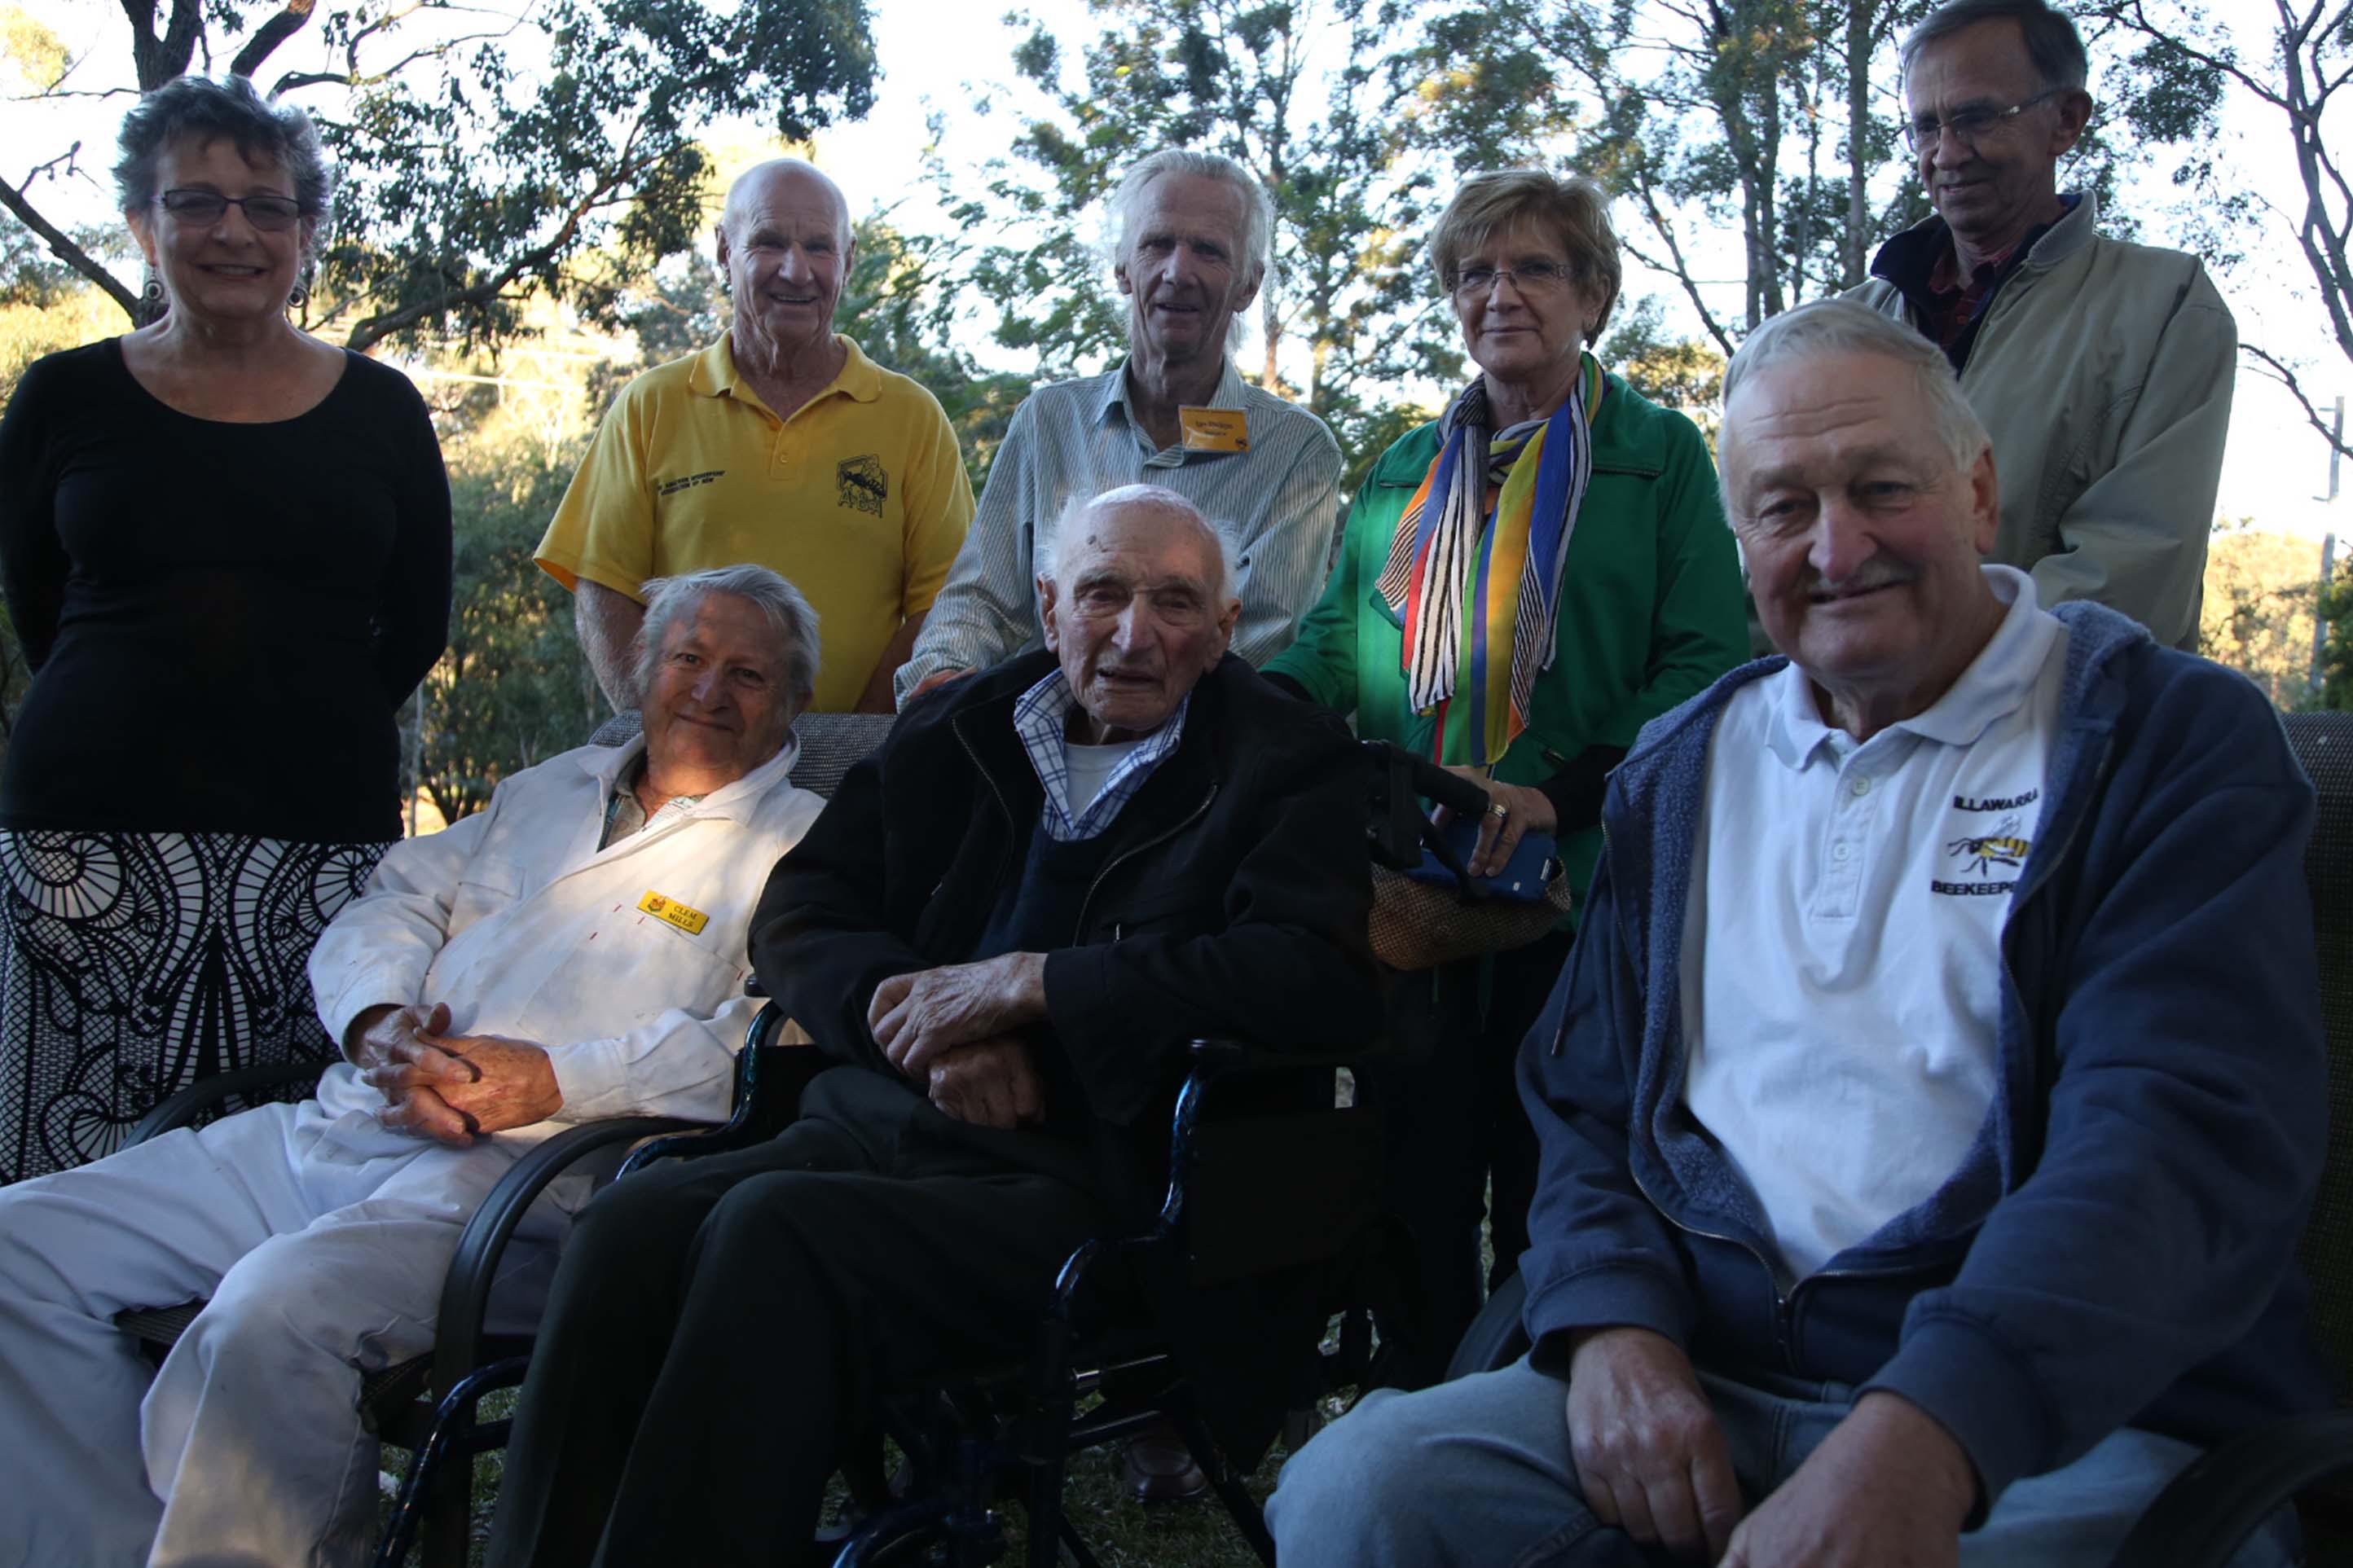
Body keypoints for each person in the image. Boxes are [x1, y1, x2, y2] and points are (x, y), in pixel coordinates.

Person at [1269, 297, 2327, 1568]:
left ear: (1980, 492)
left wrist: (1931, 1430)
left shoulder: (2161, 743)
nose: (1836, 547)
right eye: (1782, 507)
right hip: (1712, 1379)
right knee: (1355, 1495)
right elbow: (1589, 1100)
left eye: (1883, 486)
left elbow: (2175, 1139)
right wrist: (1614, 1330)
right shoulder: (1684, 763)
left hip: (2071, 1422)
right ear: (1738, 539)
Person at [482, 485, 1383, 1568]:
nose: (1134, 633)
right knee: (631, 1226)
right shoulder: (963, 725)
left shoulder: (1287, 757)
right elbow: (802, 910)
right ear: (1049, 606)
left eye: (1176, 603)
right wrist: (919, 1023)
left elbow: (1312, 976)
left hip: (1100, 1175)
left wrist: (1041, 985)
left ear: (1227, 629)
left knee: (776, 1230)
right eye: (1102, 592)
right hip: (884, 1117)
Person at [0, 565, 826, 1568]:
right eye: (688, 658)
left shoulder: (805, 848)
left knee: (271, 1314)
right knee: (16, 1245)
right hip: (348, 1122)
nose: (708, 690)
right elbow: (390, 901)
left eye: (746, 673)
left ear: (792, 702)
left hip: (527, 1187)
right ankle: (116, 1544)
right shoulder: (546, 788)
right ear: (641, 673)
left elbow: (772, 1037)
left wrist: (559, 1079)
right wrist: (378, 1020)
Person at [1263, 168, 1748, 1378]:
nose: (1500, 294)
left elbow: (1707, 661)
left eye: (1534, 268)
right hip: (1416, 890)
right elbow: (1333, 639)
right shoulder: (1403, 469)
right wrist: (1243, 707)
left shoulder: (1658, 456)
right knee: (1416, 1165)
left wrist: (1559, 793)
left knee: (1556, 1170)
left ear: (1594, 292)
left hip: (1579, 878)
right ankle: (1424, 1404)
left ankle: (1553, 1408)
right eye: (1475, 272)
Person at [0, 75, 451, 1184]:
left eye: (268, 204)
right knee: (57, 1188)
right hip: (83, 850)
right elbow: (34, 602)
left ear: (305, 233)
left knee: (286, 1179)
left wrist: (297, 708)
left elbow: (417, 621)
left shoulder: (383, 407)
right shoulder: (63, 398)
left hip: (315, 851)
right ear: (143, 224)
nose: (234, 230)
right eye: (196, 201)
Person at [1848, 0, 2234, 650]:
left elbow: (2130, 581)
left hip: (2064, 733)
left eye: (1975, 118)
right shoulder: (1848, 324)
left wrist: (1914, 673)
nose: (1946, 154)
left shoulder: (2167, 305)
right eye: (1925, 127)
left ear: (2066, 120)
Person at [894, 148, 1342, 705]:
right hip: (1029, 754)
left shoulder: (1296, 452)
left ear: (1249, 285)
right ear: (1123, 266)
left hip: (1197, 768)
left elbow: (1254, 646)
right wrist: (945, 676)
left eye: (1208, 250)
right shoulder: (1049, 421)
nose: (1178, 272)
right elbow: (980, 598)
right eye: (1158, 243)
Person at [536, 157, 974, 714]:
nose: (796, 271)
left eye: (820, 247)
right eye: (769, 242)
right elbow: (603, 586)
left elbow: (943, 606)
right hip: (689, 776)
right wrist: (664, 729)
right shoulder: (652, 405)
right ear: (724, 251)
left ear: (849, 261)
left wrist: (857, 752)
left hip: (855, 778)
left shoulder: (913, 418)